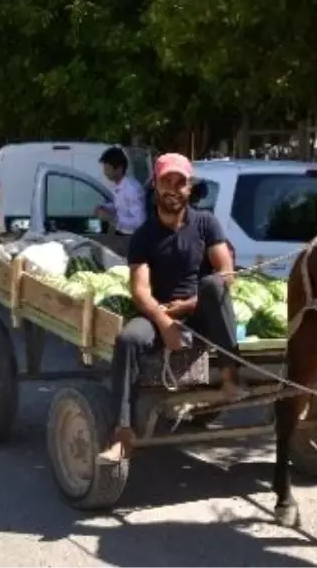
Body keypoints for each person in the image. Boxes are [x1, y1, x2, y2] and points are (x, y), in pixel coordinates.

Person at [98, 152, 242, 464]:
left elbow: (226, 274)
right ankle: (123, 435)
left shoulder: (206, 223)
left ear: (189, 188)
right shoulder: (143, 236)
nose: (173, 189)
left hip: (202, 312)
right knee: (128, 340)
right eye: (167, 181)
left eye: (181, 182)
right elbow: (139, 291)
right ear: (156, 185)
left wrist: (191, 303)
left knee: (213, 285)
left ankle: (231, 375)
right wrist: (165, 323)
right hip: (160, 312)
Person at [93, 147, 146, 236]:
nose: (105, 172)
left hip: (131, 236)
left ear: (119, 169)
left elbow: (139, 221)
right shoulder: (117, 185)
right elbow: (120, 206)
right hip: (121, 233)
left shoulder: (131, 189)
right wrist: (104, 207)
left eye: (107, 169)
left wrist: (113, 219)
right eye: (104, 169)